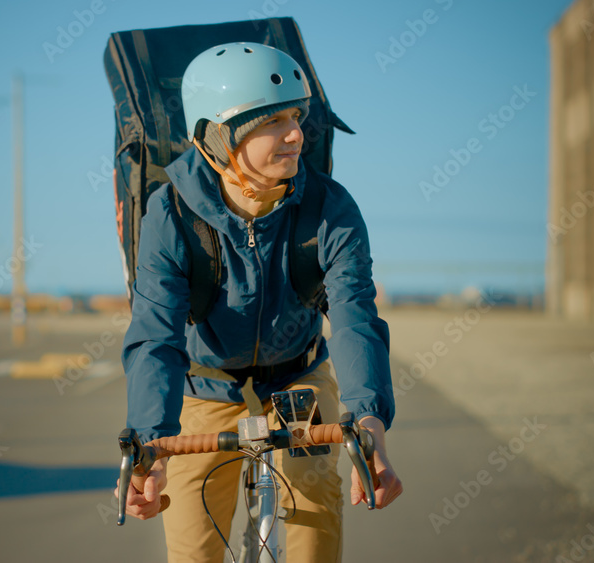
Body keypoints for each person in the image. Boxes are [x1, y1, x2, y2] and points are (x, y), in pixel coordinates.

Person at [116, 42, 402, 563]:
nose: (296, 134)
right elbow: (155, 333)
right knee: (192, 544)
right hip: (205, 384)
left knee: (317, 496)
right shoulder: (170, 213)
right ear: (219, 137)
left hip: (297, 378)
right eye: (271, 121)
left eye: (296, 115)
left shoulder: (330, 210)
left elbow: (356, 320)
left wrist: (369, 426)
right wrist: (150, 445)